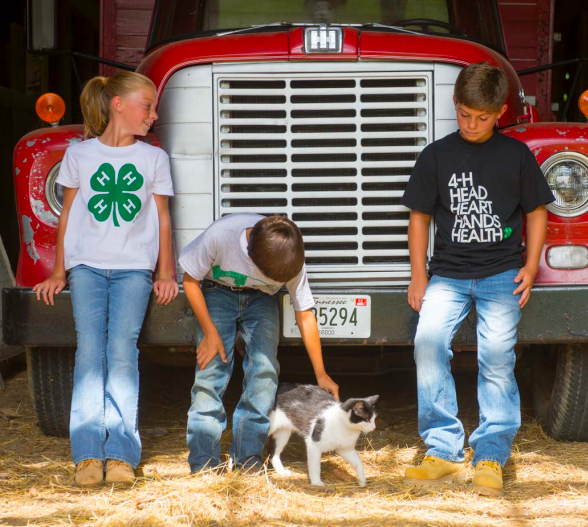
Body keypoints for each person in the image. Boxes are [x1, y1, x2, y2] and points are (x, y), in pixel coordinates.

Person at [400, 62, 554, 496]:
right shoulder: (436, 155)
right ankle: (444, 450)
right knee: (427, 344)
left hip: (502, 272)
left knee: (497, 357)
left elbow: (536, 211)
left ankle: (491, 454)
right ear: (456, 105)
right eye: (464, 114)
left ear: (500, 112)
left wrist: (531, 265)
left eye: (482, 117)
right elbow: (419, 218)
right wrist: (418, 276)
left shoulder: (516, 156)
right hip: (447, 275)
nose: (471, 124)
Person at [33, 71, 178, 487]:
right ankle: (86, 455)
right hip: (88, 268)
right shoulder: (80, 155)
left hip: (134, 268)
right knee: (89, 353)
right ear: (118, 104)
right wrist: (59, 270)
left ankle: (120, 454)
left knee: (121, 353)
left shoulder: (154, 158)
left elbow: (163, 219)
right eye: (146, 105)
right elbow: (67, 217)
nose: (153, 115)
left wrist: (165, 272)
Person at [179, 213, 339, 473]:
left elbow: (305, 313)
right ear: (252, 259)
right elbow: (190, 281)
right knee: (211, 372)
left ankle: (247, 461)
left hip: (262, 300)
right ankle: (204, 464)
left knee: (264, 375)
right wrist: (210, 333)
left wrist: (321, 374)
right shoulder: (220, 236)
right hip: (216, 291)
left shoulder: (289, 255)